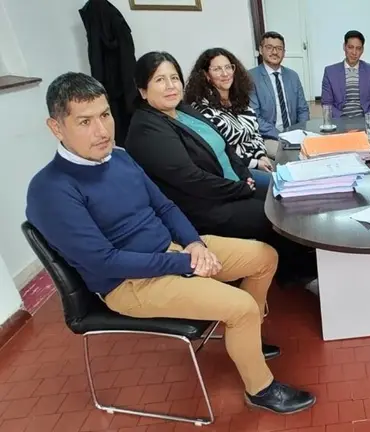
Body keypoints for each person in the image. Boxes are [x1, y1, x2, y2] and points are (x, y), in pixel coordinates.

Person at [26, 72, 316, 414]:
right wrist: (185, 263)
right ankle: (260, 389)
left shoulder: (119, 157)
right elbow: (105, 261)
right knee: (241, 306)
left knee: (264, 256)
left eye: (105, 115)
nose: (102, 131)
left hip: (172, 251)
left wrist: (194, 245)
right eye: (85, 121)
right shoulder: (51, 190)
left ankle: (244, 338)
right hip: (129, 283)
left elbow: (164, 206)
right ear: (57, 128)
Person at [124, 51, 316, 285]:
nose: (170, 86)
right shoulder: (147, 129)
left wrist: (243, 174)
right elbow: (192, 179)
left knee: (286, 199)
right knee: (275, 215)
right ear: (143, 90)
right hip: (206, 205)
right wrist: (240, 188)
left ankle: (303, 261)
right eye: (160, 80)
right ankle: (298, 274)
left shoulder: (183, 110)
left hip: (232, 185)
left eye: (174, 78)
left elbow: (225, 146)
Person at [185, 47, 272, 189]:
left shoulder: (239, 99)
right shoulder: (202, 109)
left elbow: (255, 133)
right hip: (235, 169)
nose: (225, 73)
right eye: (217, 69)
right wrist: (256, 163)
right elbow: (222, 150)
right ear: (206, 75)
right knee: (280, 184)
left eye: (228, 67)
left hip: (257, 159)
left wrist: (261, 155)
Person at [249, 31, 310, 158]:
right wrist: (281, 136)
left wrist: (300, 131)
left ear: (284, 52)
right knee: (289, 155)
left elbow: (303, 109)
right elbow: (254, 117)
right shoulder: (251, 77)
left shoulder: (292, 76)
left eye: (279, 48)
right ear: (261, 50)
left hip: (294, 132)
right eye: (269, 47)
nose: (275, 52)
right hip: (268, 136)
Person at [321, 30, 370, 118]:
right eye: (350, 47)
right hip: (340, 121)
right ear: (344, 47)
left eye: (358, 48)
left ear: (362, 50)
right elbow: (326, 104)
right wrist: (343, 120)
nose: (354, 52)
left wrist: (368, 118)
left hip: (364, 120)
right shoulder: (330, 72)